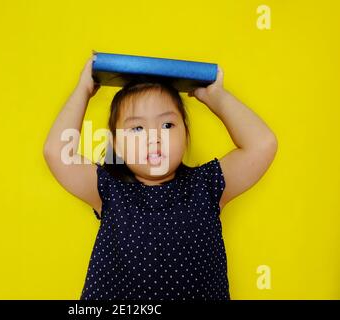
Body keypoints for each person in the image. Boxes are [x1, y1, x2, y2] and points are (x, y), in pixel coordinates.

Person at [43, 53, 278, 300]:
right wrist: (82, 91)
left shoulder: (207, 186)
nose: (153, 137)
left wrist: (217, 98)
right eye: (136, 128)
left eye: (167, 125)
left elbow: (262, 144)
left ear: (185, 133)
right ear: (116, 146)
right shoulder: (109, 190)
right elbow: (56, 153)